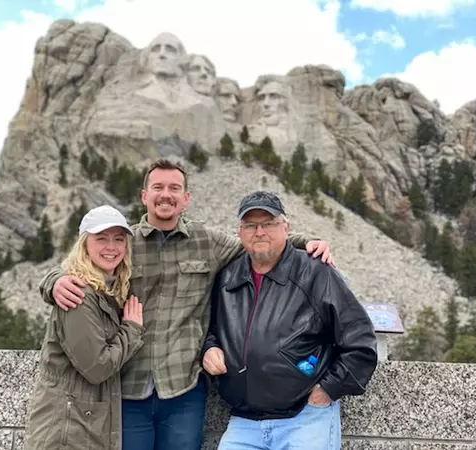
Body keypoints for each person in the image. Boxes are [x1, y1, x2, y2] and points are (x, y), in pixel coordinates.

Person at [38, 159, 335, 450]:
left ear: (186, 198)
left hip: (184, 390)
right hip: (128, 388)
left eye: (174, 188)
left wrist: (309, 241)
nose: (165, 194)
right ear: (145, 196)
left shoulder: (208, 242)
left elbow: (258, 243)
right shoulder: (123, 242)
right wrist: (52, 282)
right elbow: (84, 263)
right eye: (158, 187)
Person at [201, 191, 378, 450]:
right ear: (239, 232)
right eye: (250, 225)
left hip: (304, 419)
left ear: (286, 227)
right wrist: (209, 348)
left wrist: (326, 391)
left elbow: (361, 340)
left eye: (269, 223)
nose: (259, 231)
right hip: (244, 421)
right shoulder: (227, 278)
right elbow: (211, 330)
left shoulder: (317, 272)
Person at [23, 205, 145, 450]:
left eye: (118, 239)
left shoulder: (108, 289)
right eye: (101, 238)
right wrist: (131, 329)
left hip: (83, 426)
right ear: (84, 244)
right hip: (67, 431)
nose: (111, 247)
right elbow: (97, 367)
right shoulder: (78, 294)